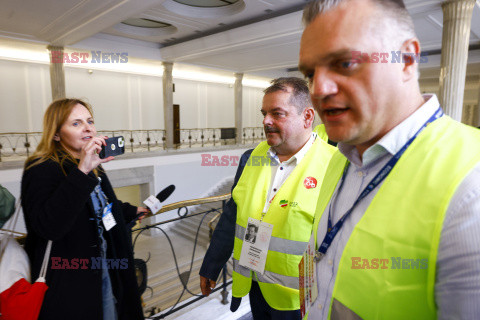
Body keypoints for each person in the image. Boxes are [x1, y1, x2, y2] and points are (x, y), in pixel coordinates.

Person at [298, 0, 480, 319]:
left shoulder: (471, 186)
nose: (319, 88)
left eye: (344, 62)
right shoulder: (340, 157)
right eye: (310, 73)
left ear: (407, 59)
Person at [199, 77, 336, 319]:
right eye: (264, 113)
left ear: (307, 117)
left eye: (277, 113)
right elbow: (233, 215)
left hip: (303, 298)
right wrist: (212, 264)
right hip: (255, 286)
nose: (266, 121)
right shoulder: (252, 157)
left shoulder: (334, 165)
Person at [21, 98, 148, 320]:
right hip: (70, 279)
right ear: (57, 134)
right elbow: (48, 226)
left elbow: (101, 205)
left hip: (105, 268)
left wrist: (131, 210)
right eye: (76, 123)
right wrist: (82, 171)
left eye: (90, 121)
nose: (88, 128)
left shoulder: (92, 164)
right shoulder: (41, 169)